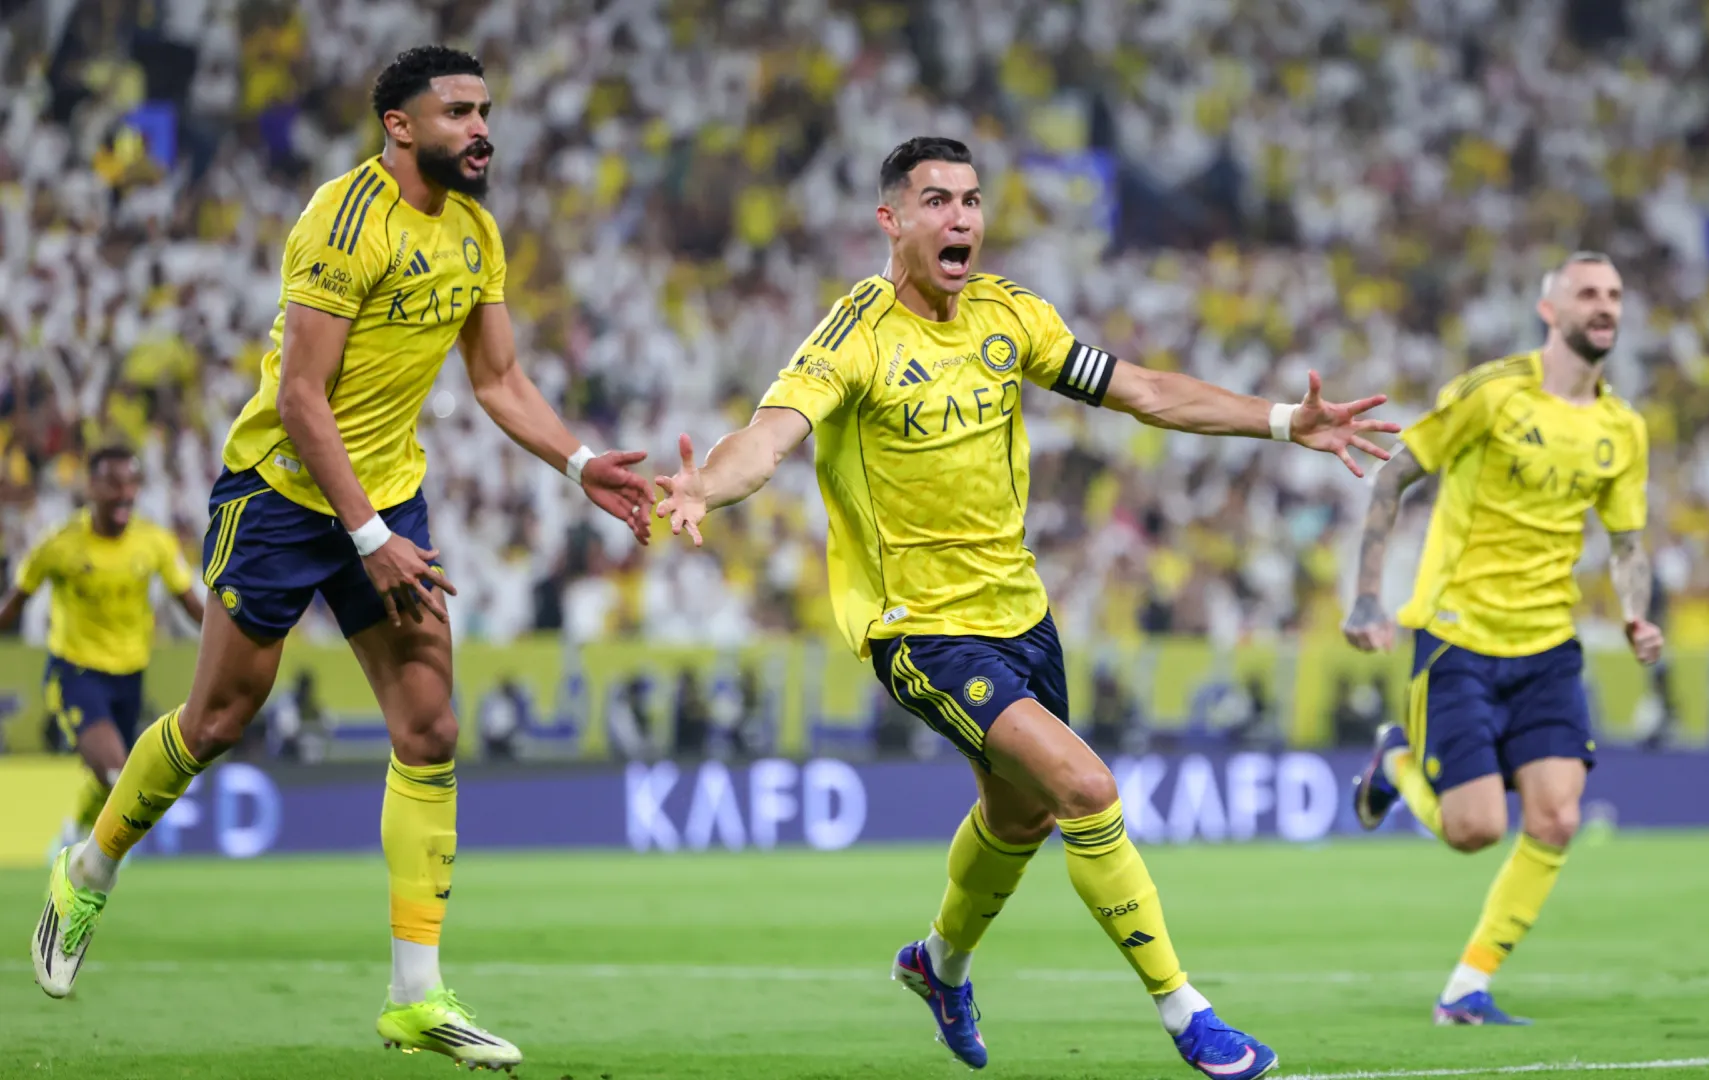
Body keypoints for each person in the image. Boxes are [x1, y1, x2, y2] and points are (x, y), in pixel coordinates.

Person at [650, 136, 1397, 1079]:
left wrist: (1285, 421)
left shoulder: (1010, 318)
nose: (960, 217)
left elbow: (1147, 392)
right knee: (1086, 790)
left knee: (1021, 820)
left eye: (969, 199)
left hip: (1020, 614)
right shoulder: (853, 336)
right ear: (892, 221)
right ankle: (1187, 1013)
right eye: (935, 201)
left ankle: (939, 965)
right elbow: (768, 438)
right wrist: (705, 488)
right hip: (917, 627)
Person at [29, 46, 655, 1071]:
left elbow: (499, 381)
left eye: (486, 108)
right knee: (219, 719)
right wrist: (371, 541)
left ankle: (415, 996)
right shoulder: (341, 220)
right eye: (458, 111)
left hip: (384, 497)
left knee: (431, 722)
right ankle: (88, 869)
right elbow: (300, 401)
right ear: (400, 126)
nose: (481, 127)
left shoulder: (475, 233)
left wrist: (580, 462)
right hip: (280, 494)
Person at [1342, 252, 1664, 1025]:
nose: (1605, 306)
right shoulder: (1492, 393)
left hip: (1549, 644)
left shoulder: (1622, 429)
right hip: (1458, 636)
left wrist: (1637, 612)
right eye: (1588, 293)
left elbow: (1626, 543)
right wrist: (1366, 599)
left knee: (1556, 817)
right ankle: (1394, 760)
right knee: (1475, 830)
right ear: (1548, 310)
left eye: (1615, 295)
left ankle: (1466, 989)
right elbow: (1396, 476)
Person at [0, 448, 204, 857]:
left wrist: (243, 635)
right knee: (116, 773)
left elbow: (192, 605)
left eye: (131, 483)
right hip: (76, 674)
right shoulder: (59, 546)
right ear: (91, 487)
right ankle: (98, 857)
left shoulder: (154, 543)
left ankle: (74, 832)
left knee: (114, 778)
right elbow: (14, 604)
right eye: (114, 484)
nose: (125, 493)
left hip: (130, 678)